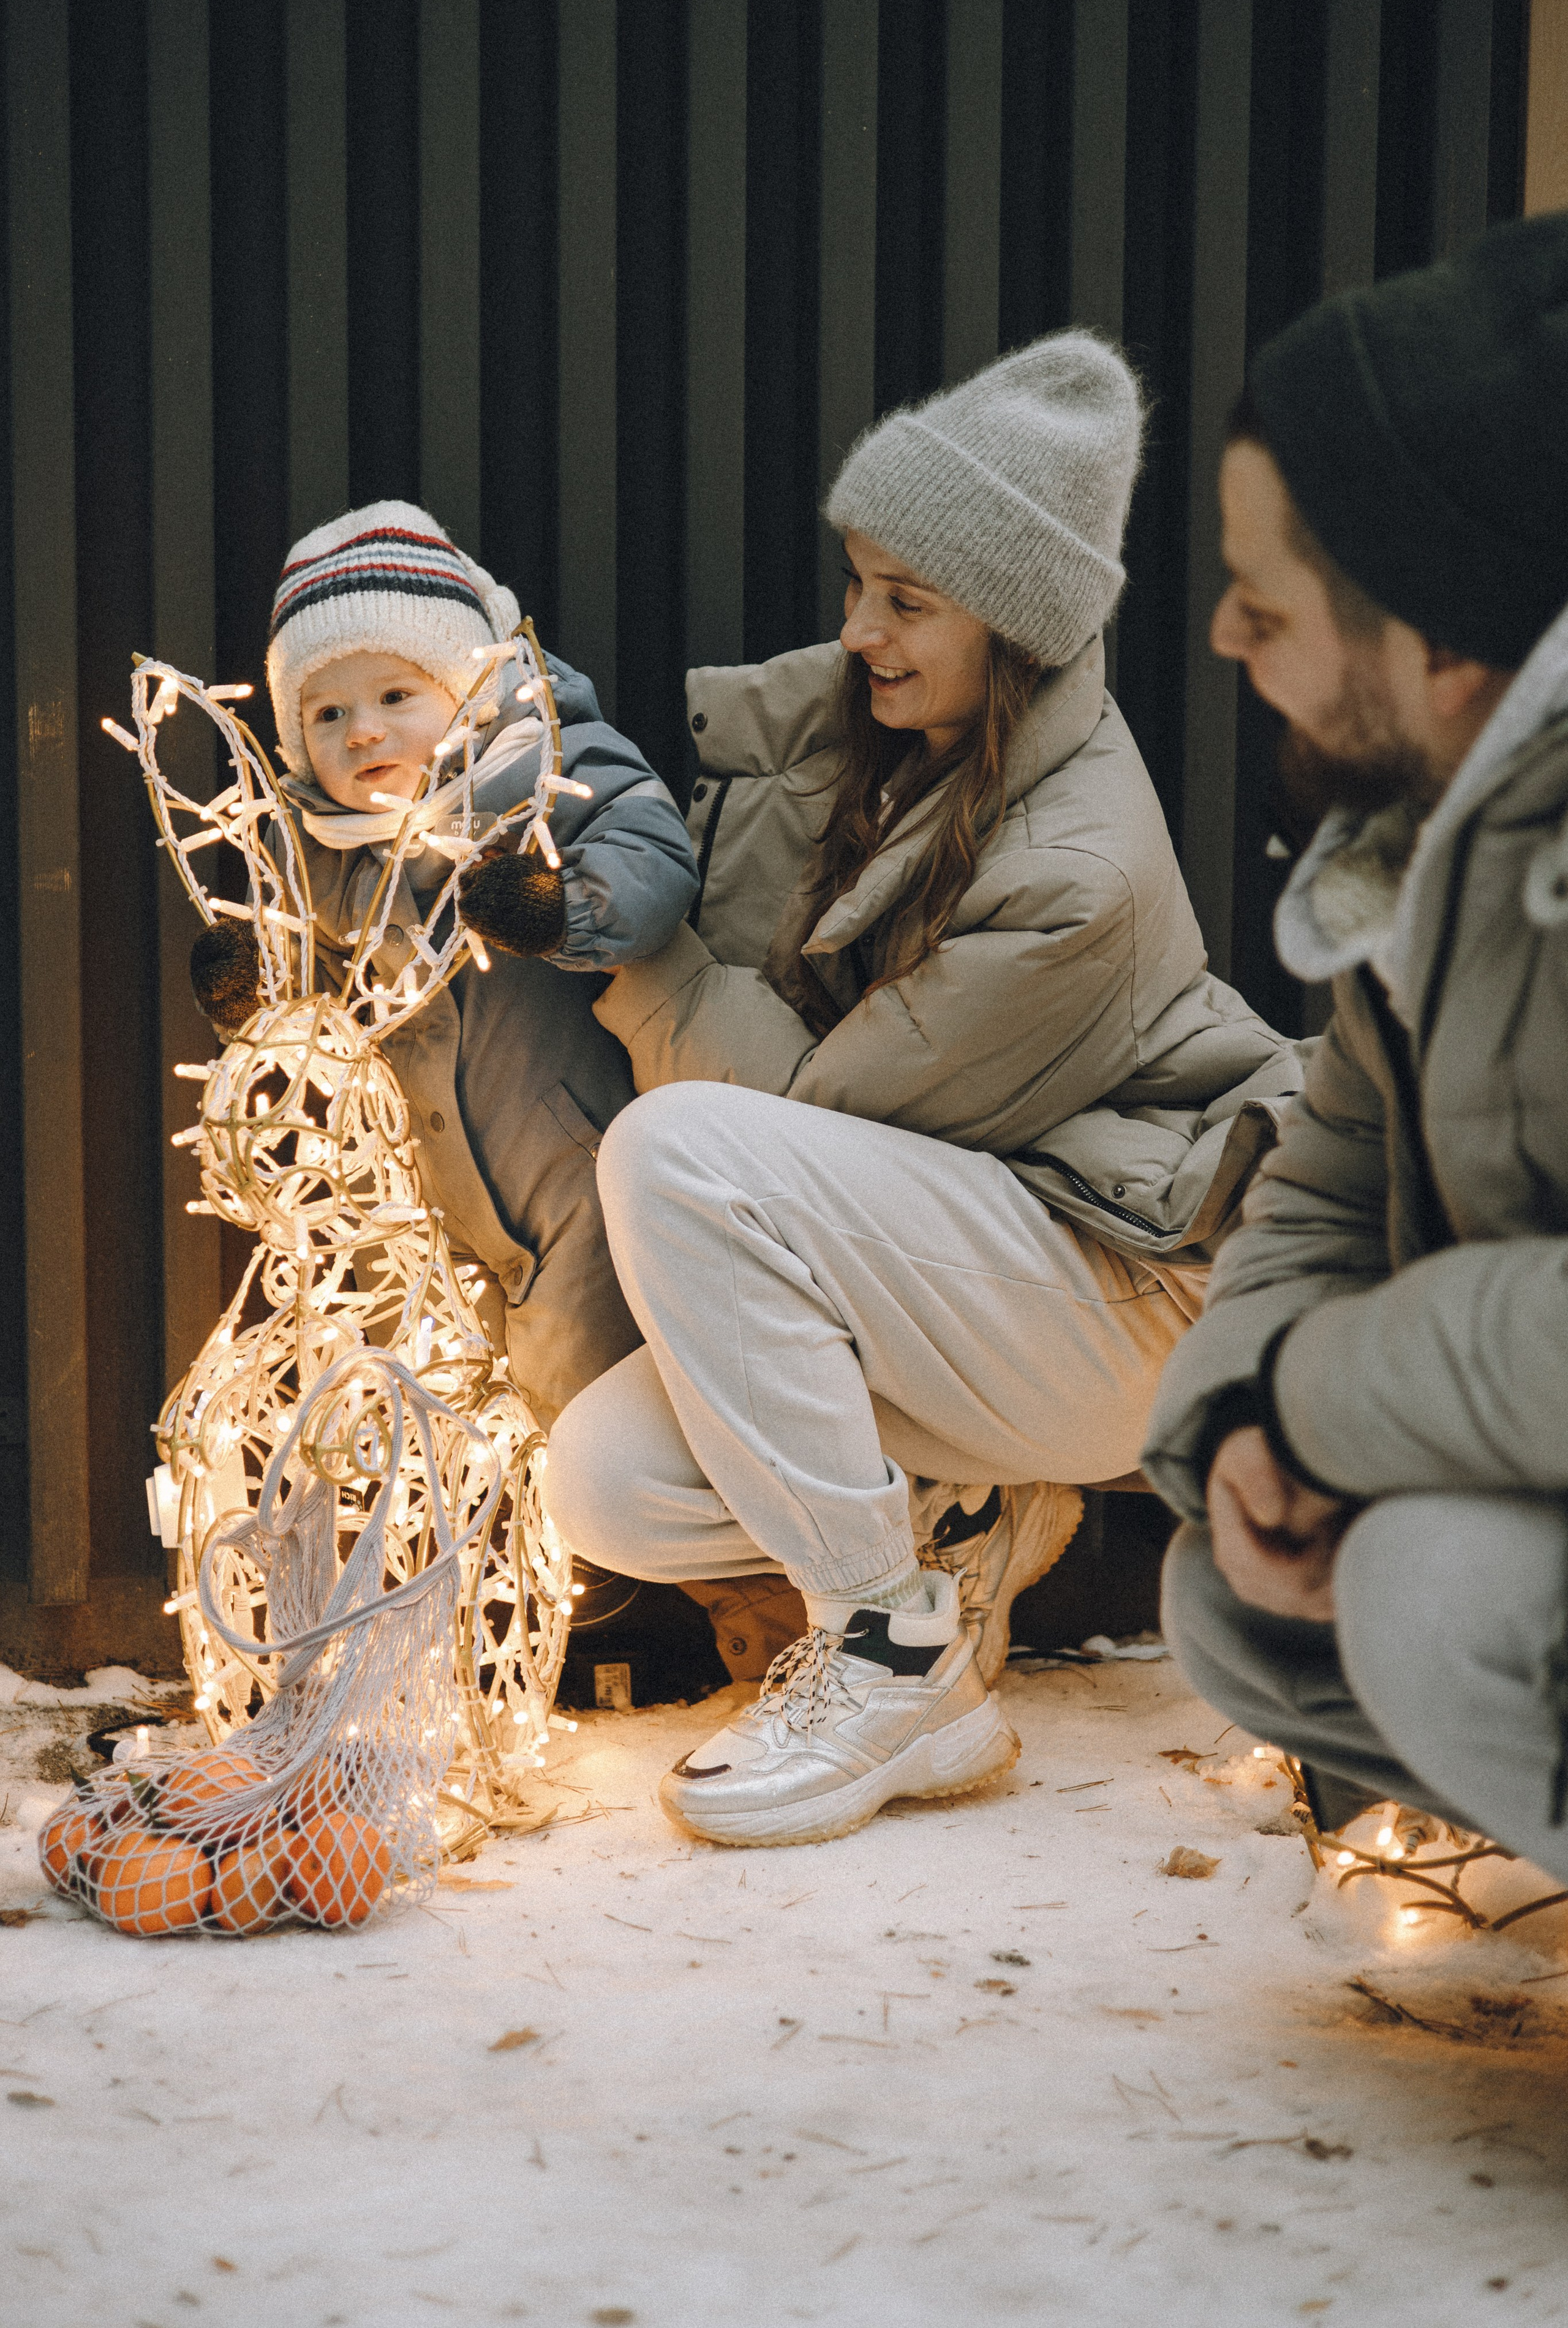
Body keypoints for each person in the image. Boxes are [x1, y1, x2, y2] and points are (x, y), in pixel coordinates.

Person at [544, 331, 1303, 1848]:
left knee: (678, 1153)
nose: (857, 632)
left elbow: (815, 1116)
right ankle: (963, 1519)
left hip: (1132, 1286)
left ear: (1012, 625)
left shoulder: (1077, 871)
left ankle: (889, 1651)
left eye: (904, 600)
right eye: (856, 585)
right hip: (978, 1252)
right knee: (601, 1484)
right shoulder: (883, 746)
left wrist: (628, 949)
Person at [1143, 213, 1568, 1864]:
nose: (1224, 638)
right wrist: (1242, 1431)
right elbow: (1324, 1183)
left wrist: (1313, 1404)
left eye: (1265, 603)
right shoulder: (1429, 850)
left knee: (1430, 1593)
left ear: (1443, 642)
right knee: (1238, 1601)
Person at [189, 500, 698, 1431]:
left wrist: (560, 907)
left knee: (586, 1402)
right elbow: (318, 982)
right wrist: (257, 992)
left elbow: (657, 858)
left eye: (395, 697)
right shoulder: (326, 854)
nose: (363, 733)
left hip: (575, 1177)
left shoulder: (546, 767)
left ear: (467, 688)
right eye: (328, 713)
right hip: (422, 1209)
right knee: (438, 1417)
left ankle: (601, 1524)